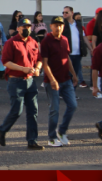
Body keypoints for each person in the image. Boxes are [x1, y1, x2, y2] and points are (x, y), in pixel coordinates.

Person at [0, 18, 44, 150]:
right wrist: (23, 69)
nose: (26, 29)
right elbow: (6, 62)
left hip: (30, 81)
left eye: (28, 26)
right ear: (18, 28)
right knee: (17, 110)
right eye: (23, 27)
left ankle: (32, 140)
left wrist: (38, 68)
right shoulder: (11, 42)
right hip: (16, 81)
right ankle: (2, 130)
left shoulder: (33, 42)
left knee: (33, 111)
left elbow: (39, 59)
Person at [40, 17, 78, 147]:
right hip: (52, 82)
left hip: (66, 80)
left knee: (73, 105)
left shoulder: (65, 40)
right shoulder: (46, 41)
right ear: (51, 26)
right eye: (56, 25)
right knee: (54, 109)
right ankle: (51, 137)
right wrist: (52, 80)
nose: (58, 28)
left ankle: (62, 131)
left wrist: (74, 74)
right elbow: (45, 64)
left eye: (60, 25)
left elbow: (67, 58)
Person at [62, 6, 89, 89]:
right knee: (67, 74)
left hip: (78, 53)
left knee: (75, 74)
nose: (64, 14)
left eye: (66, 12)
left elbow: (84, 37)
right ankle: (65, 92)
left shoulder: (78, 25)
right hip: (67, 54)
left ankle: (72, 93)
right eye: (63, 12)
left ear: (72, 13)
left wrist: (91, 48)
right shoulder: (62, 25)